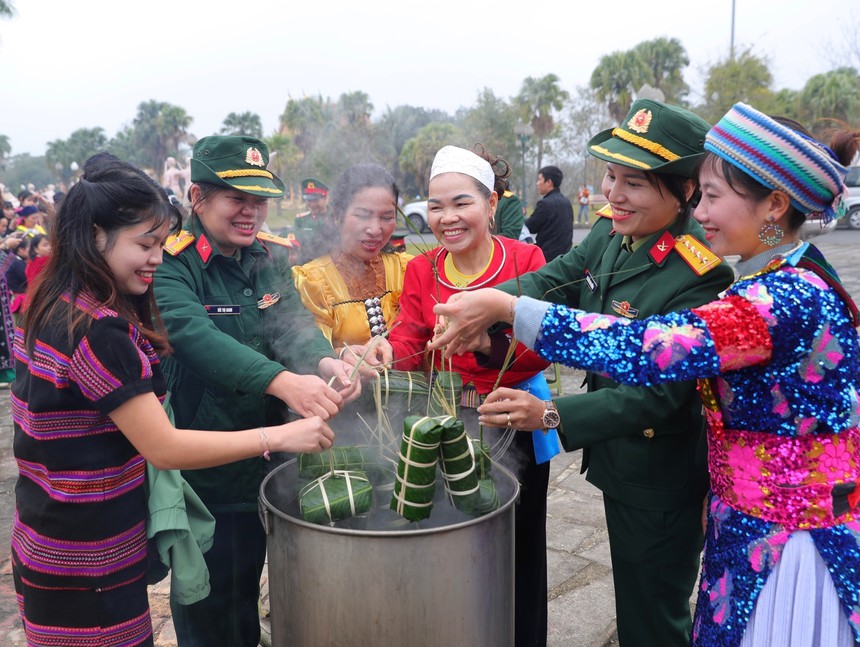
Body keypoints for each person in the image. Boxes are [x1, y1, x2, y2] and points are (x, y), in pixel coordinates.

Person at [433, 104, 860, 646]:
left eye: (712, 196)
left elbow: (646, 350)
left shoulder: (779, 299)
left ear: (775, 204)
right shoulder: (786, 273)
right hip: (750, 517)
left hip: (789, 538)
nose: (701, 213)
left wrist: (509, 310)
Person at [10, 153, 338, 647]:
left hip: (51, 532)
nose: (157, 259)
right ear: (95, 236)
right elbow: (164, 446)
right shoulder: (100, 331)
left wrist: (324, 360)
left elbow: (289, 322)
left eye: (160, 244)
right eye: (145, 245)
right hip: (90, 553)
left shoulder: (54, 303)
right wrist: (282, 433)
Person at [153, 135, 360, 647]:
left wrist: (324, 360)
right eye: (237, 199)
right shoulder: (171, 262)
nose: (251, 212)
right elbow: (193, 336)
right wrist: (283, 381)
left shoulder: (267, 255)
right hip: (207, 462)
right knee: (206, 601)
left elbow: (292, 324)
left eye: (259, 200)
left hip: (268, 457)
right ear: (198, 198)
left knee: (245, 588)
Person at [354, 144, 558, 647]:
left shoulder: (525, 261)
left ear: (491, 204)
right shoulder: (424, 269)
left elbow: (543, 349)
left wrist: (486, 344)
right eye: (436, 206)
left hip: (511, 420)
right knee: (454, 541)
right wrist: (386, 349)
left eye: (462, 203)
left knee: (517, 547)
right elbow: (410, 335)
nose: (447, 218)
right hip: (443, 423)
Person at [292, 163, 412, 351]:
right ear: (337, 214)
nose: (375, 229)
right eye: (363, 215)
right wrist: (342, 355)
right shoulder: (313, 281)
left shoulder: (407, 270)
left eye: (386, 217)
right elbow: (312, 353)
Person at [524, 165, 573, 260]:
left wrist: (518, 218)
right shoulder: (566, 202)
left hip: (547, 257)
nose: (537, 183)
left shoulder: (545, 204)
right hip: (564, 257)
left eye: (539, 180)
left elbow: (531, 227)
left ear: (549, 182)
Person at [293, 177, 332, 263]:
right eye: (309, 200)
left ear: (326, 198)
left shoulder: (337, 218)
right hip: (307, 266)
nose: (312, 204)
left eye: (315, 200)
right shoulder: (301, 220)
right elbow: (296, 247)